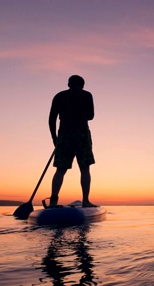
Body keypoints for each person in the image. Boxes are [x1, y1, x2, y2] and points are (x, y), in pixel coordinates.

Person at [47, 75, 97, 208]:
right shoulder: (87, 95)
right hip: (81, 135)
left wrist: (54, 138)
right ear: (83, 85)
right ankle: (85, 201)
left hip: (64, 135)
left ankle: (53, 202)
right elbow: (91, 116)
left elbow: (52, 119)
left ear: (69, 84)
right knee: (85, 168)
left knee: (60, 169)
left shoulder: (59, 96)